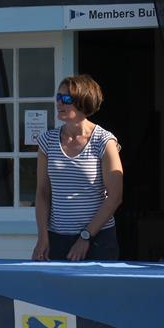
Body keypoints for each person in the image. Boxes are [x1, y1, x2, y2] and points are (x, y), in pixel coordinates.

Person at [32, 74, 123, 262]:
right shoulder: (47, 141)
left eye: (66, 99)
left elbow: (115, 197)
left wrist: (86, 236)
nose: (59, 103)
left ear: (84, 101)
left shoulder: (104, 141)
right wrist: (43, 236)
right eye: (58, 98)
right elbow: (42, 192)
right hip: (57, 238)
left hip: (98, 238)